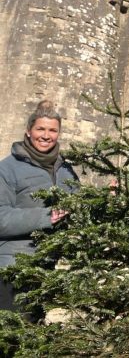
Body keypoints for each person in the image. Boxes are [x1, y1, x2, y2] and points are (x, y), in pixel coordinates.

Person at [0, 100, 78, 310]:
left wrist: (108, 195)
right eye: (40, 129)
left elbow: (79, 206)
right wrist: (47, 217)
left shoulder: (66, 170)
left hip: (46, 270)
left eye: (52, 130)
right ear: (28, 131)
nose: (46, 135)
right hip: (12, 269)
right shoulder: (7, 169)